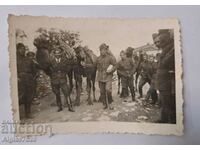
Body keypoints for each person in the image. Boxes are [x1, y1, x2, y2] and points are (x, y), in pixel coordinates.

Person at [156, 29, 176, 123]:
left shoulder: (172, 48)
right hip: (162, 82)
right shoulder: (165, 49)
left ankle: (172, 123)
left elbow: (165, 63)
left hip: (168, 81)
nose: (158, 43)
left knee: (170, 103)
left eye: (160, 40)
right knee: (164, 101)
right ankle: (164, 119)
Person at [49, 46, 75, 112]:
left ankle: (70, 107)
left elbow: (69, 67)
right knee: (57, 93)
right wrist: (53, 75)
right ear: (54, 54)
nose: (57, 55)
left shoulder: (64, 60)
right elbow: (49, 70)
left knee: (66, 93)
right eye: (56, 54)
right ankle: (59, 107)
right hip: (55, 80)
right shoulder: (51, 61)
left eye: (59, 54)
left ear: (61, 54)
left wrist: (64, 72)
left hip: (63, 79)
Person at [17, 43, 37, 118]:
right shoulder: (14, 59)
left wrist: (32, 78)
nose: (23, 50)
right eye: (21, 49)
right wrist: (16, 77)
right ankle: (15, 114)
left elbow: (34, 71)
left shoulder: (28, 59)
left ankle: (28, 113)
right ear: (17, 50)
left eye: (24, 49)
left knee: (29, 96)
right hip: (20, 79)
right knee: (21, 96)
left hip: (29, 79)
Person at [96, 43, 116, 109]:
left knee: (108, 90)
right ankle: (104, 104)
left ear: (106, 50)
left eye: (104, 50)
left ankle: (110, 103)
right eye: (101, 50)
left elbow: (115, 66)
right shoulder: (98, 58)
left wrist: (111, 70)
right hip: (100, 77)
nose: (102, 51)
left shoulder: (110, 57)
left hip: (108, 76)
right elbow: (96, 67)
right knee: (102, 91)